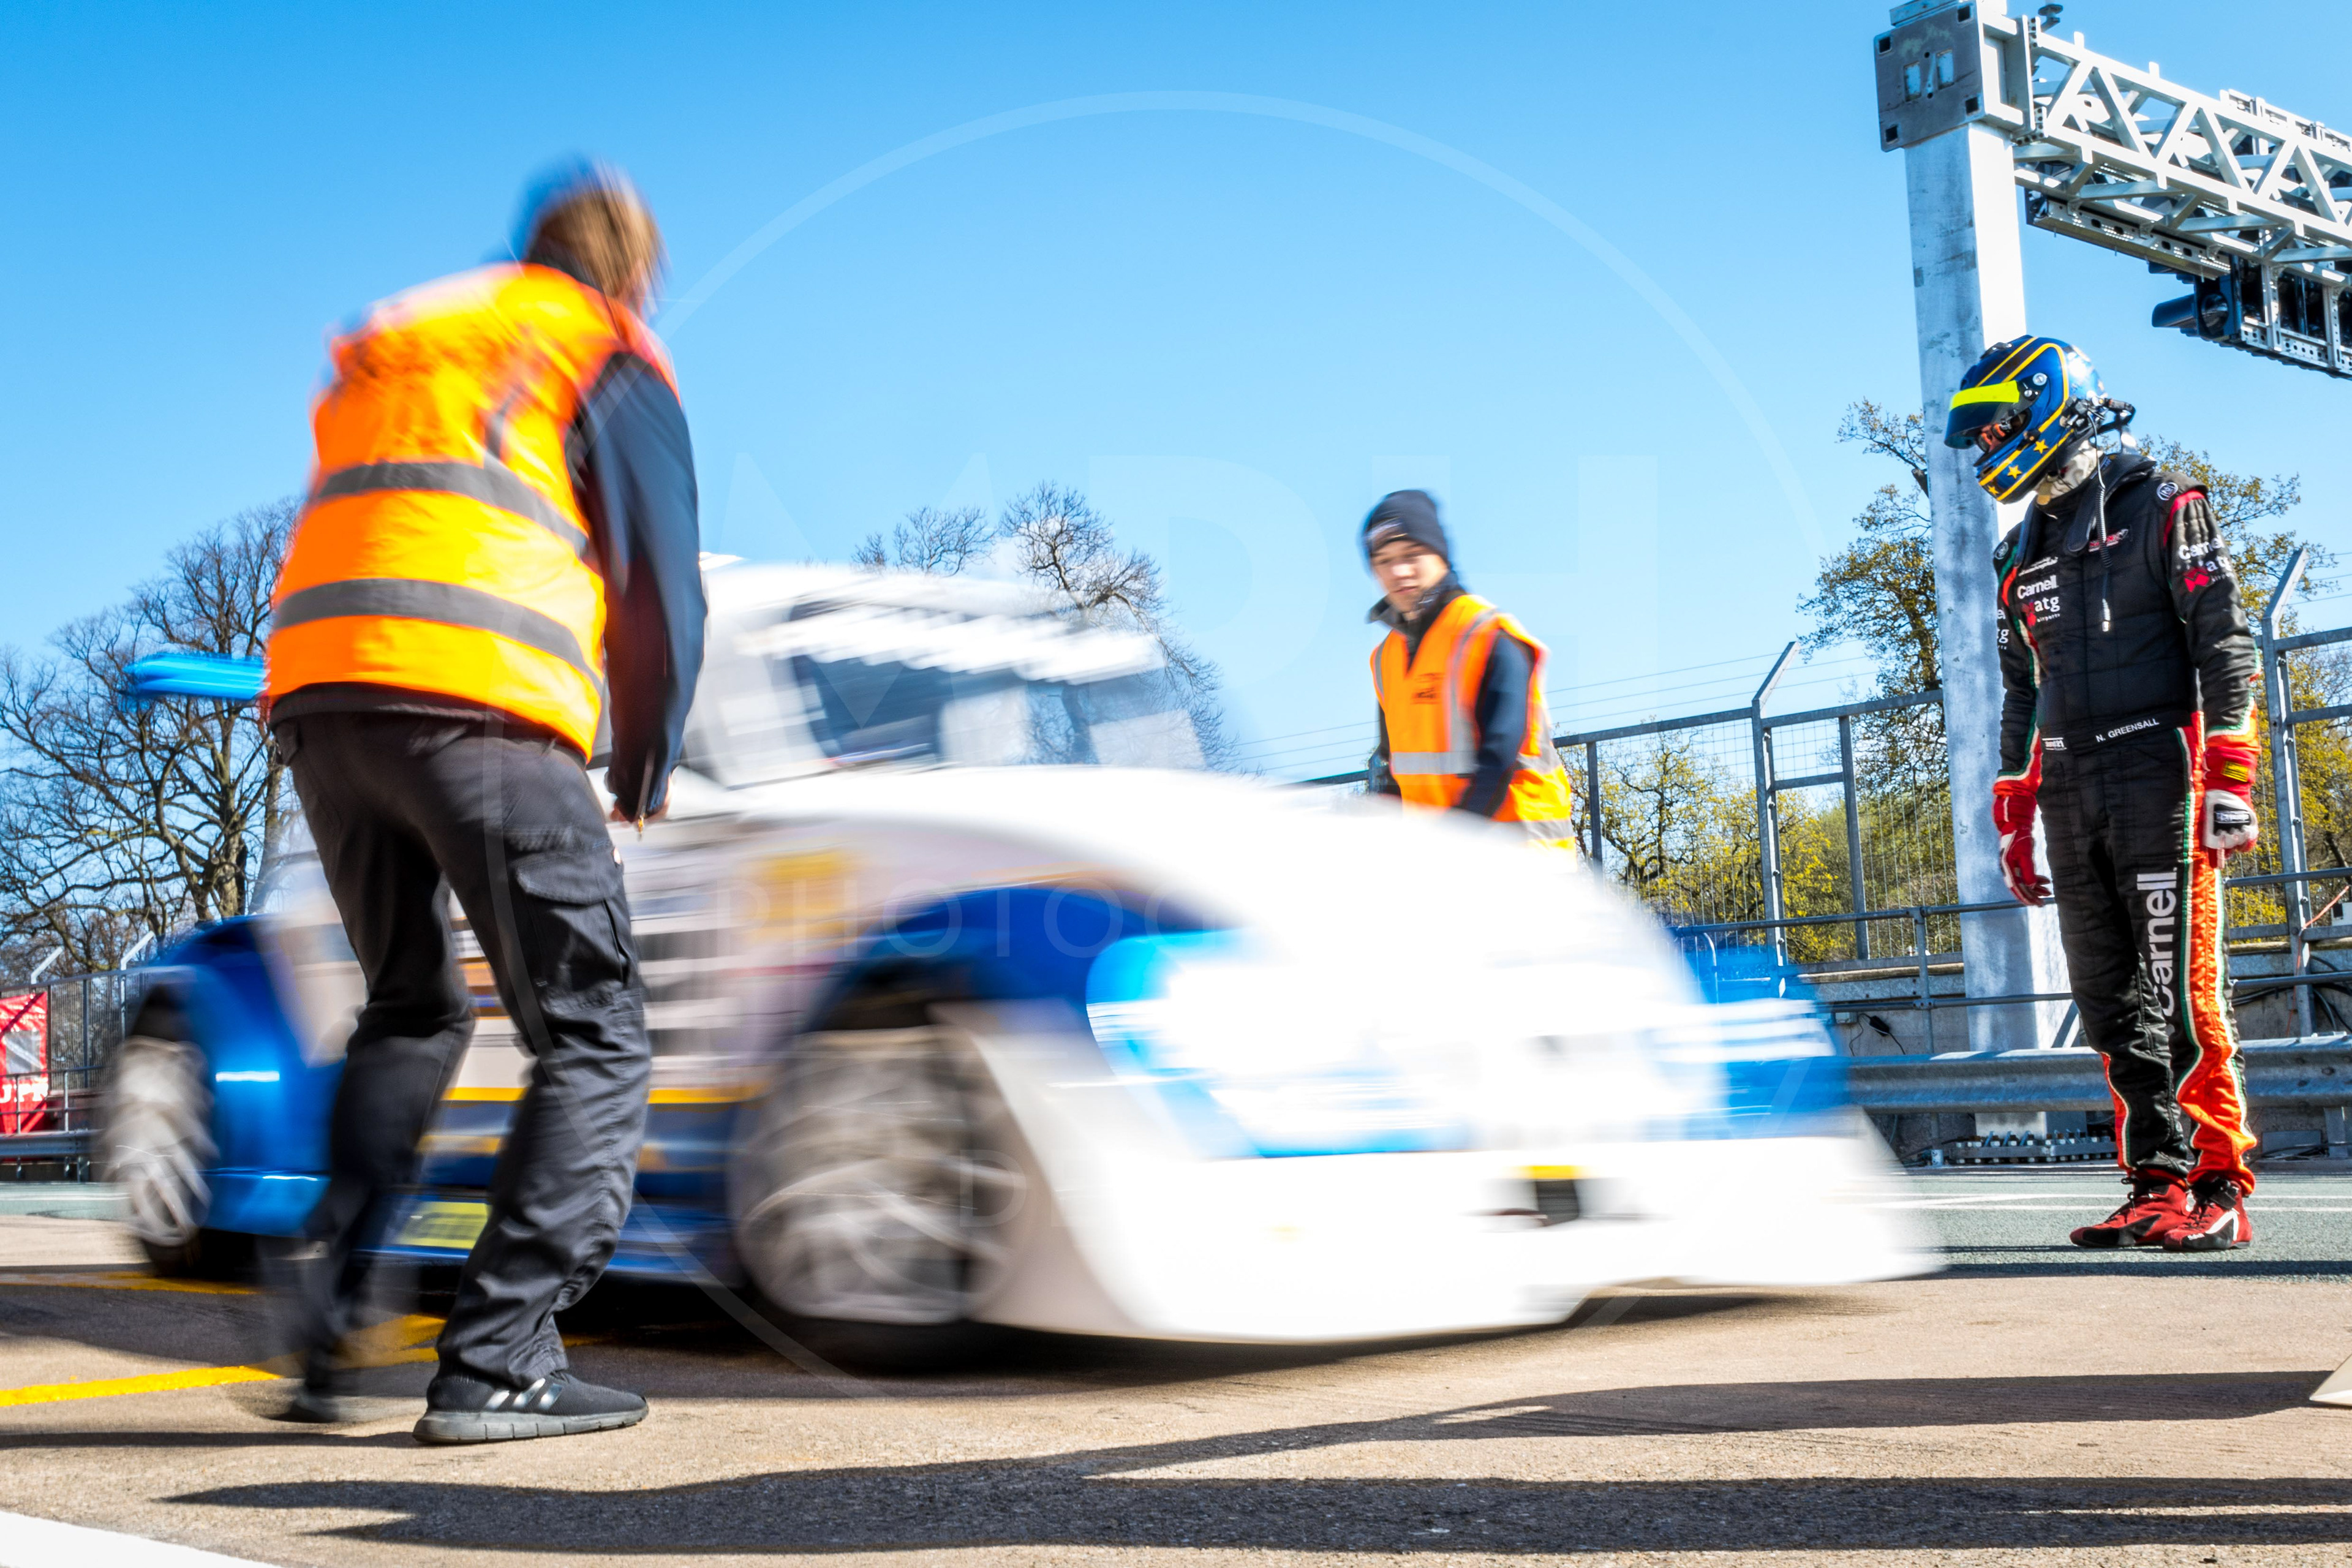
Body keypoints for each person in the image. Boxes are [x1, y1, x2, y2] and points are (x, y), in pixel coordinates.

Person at [262, 163, 705, 1441]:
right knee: (594, 1030)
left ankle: (329, 1321)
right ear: (632, 272)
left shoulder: (402, 343)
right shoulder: (599, 346)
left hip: (322, 701)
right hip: (481, 699)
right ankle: (501, 1354)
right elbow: (658, 577)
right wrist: (646, 750)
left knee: (410, 1008)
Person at [1958, 335, 2262, 1252]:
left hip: (2163, 780)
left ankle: (2218, 1183)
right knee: (2107, 1000)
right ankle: (2155, 1179)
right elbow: (2023, 689)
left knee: (2180, 994)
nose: (1984, 450)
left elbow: (2227, 646)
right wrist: (2013, 814)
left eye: (1996, 427)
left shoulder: (2168, 505)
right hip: (2069, 791)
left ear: (2050, 405)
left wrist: (2231, 780)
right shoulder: (2023, 550)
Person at [1360, 490, 1578, 845]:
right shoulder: (1386, 659)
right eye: (1384, 560)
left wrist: (1452, 846)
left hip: (1527, 863)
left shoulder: (1488, 635)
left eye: (1412, 555)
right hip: (1449, 864)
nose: (1399, 571)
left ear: (1441, 557)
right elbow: (1389, 770)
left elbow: (1497, 760)